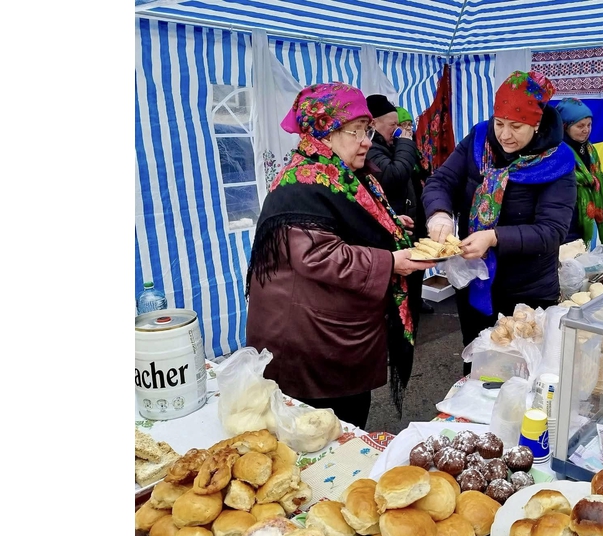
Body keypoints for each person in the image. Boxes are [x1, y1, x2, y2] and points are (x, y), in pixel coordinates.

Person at [244, 83, 435, 428]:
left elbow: (351, 219)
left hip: (332, 331)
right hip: (309, 341)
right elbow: (319, 255)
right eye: (356, 131)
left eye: (367, 130)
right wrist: (391, 260)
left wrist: (389, 225)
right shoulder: (302, 184)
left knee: (346, 422)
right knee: (322, 433)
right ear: (324, 134)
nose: (367, 141)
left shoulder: (339, 172)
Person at [422, 70, 576, 366]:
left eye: (516, 126)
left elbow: (551, 231)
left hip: (526, 291)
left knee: (520, 368)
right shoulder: (478, 141)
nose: (505, 134)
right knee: (478, 361)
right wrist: (440, 214)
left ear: (537, 123)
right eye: (500, 123)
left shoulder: (557, 162)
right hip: (476, 281)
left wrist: (494, 237)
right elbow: (441, 182)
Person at [365, 95, 435, 314]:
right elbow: (394, 176)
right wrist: (405, 142)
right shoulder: (372, 148)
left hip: (408, 219)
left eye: (403, 125)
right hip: (390, 233)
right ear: (374, 123)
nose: (399, 130)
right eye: (394, 125)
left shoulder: (389, 145)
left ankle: (414, 305)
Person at [554, 98, 603, 246]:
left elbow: (594, 174)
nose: (586, 130)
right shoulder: (556, 151)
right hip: (563, 216)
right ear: (565, 126)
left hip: (581, 217)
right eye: (580, 126)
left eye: (589, 125)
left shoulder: (588, 149)